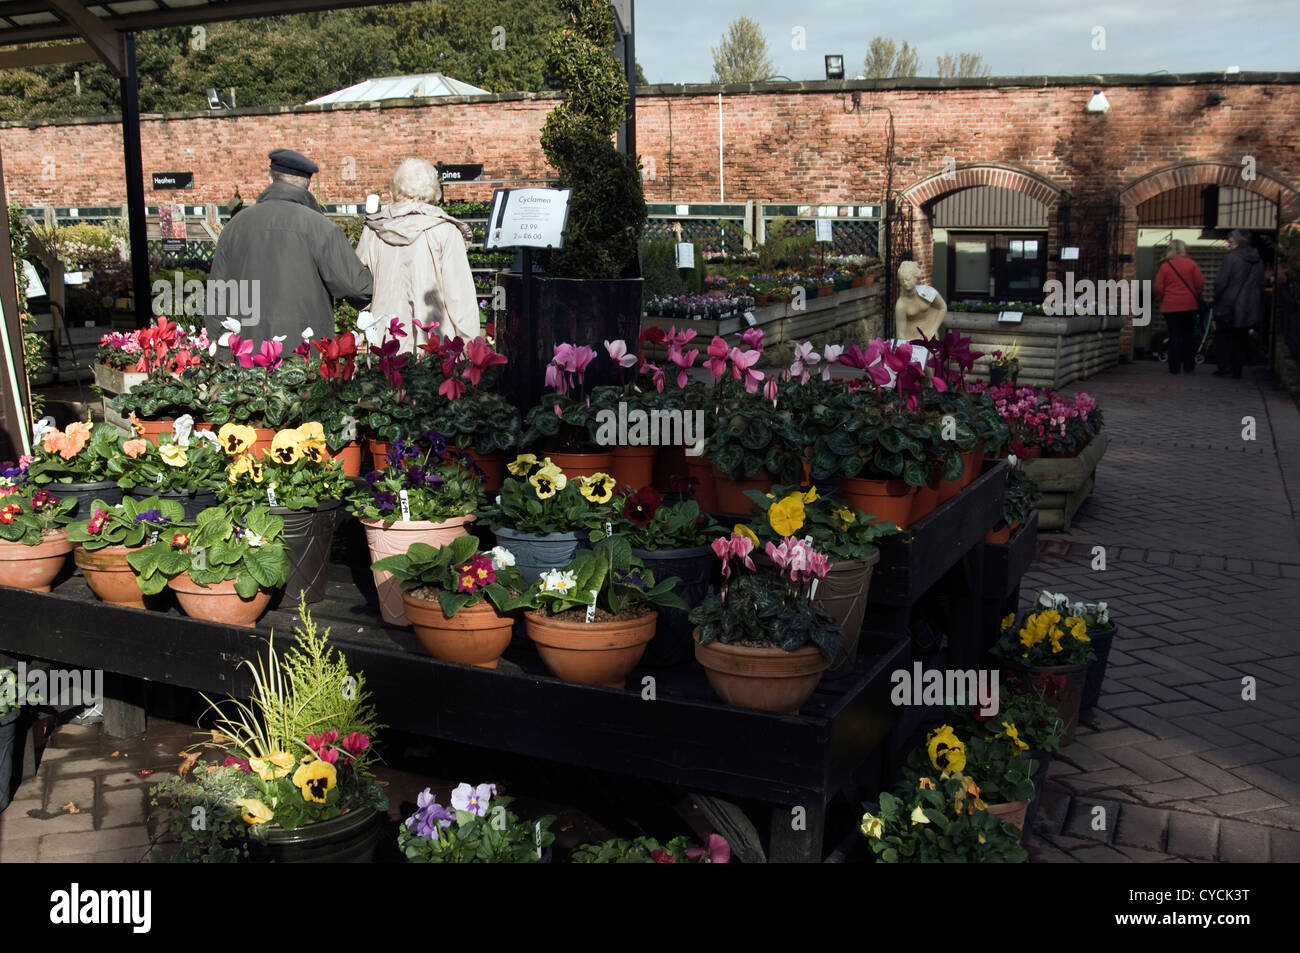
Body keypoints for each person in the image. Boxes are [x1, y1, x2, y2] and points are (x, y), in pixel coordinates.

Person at [206, 149, 373, 344]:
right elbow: (358, 288)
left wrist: (222, 351)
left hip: (245, 356)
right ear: (307, 185)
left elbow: (217, 297)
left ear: (271, 180)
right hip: (304, 357)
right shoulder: (322, 229)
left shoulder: (234, 226)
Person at [355, 158, 480, 351]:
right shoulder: (445, 231)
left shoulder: (374, 231)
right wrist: (470, 346)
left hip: (385, 343)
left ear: (396, 187)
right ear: (433, 188)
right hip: (434, 346)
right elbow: (460, 298)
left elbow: (359, 287)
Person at [1211, 229, 1265, 379]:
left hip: (1229, 303)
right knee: (1240, 338)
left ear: (1239, 241)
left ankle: (1223, 366)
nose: (1228, 242)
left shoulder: (1231, 258)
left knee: (1222, 336)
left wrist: (1215, 296)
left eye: (1231, 240)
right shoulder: (1258, 259)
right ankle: (1237, 370)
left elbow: (1221, 282)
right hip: (1248, 305)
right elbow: (1260, 282)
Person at [1153, 239, 1205, 374]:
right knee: (1188, 336)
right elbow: (1200, 283)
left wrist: (1163, 297)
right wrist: (1194, 295)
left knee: (1174, 336)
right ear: (1183, 249)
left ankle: (1174, 367)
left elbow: (1158, 287)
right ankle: (1188, 366)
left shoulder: (1165, 266)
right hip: (1189, 305)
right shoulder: (1192, 264)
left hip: (1170, 306)